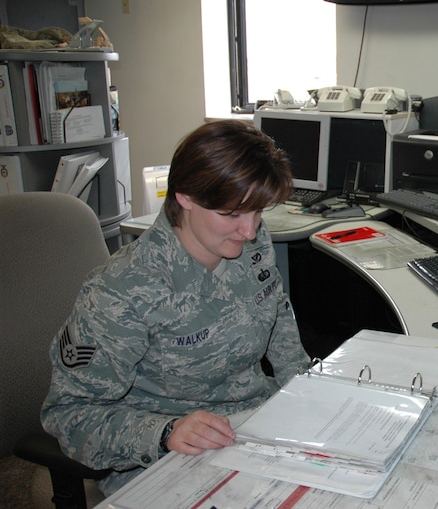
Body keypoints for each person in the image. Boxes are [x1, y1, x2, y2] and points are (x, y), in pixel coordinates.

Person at [42, 120, 311, 494]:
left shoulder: (250, 240)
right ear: (184, 196)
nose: (249, 231)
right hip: (168, 455)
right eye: (232, 214)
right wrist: (164, 433)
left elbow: (276, 311)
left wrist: (307, 390)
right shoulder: (121, 290)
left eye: (258, 212)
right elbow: (69, 415)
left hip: (254, 424)